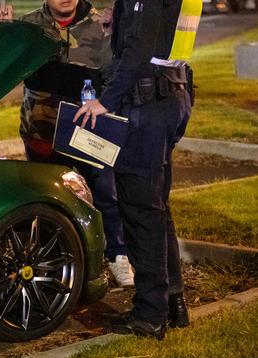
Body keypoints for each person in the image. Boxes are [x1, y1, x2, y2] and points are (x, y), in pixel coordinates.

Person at [74, 0, 201, 340]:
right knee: (157, 209)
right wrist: (119, 26)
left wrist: (106, 101)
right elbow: (154, 37)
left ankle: (149, 315)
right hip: (169, 93)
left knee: (140, 209)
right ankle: (172, 304)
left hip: (147, 104)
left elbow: (141, 48)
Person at [0, 0, 135, 287]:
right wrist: (3, 34)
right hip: (42, 129)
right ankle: (52, 261)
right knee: (47, 197)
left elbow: (119, 72)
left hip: (89, 130)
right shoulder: (27, 27)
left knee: (105, 193)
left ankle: (117, 255)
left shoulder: (103, 25)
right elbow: (3, 70)